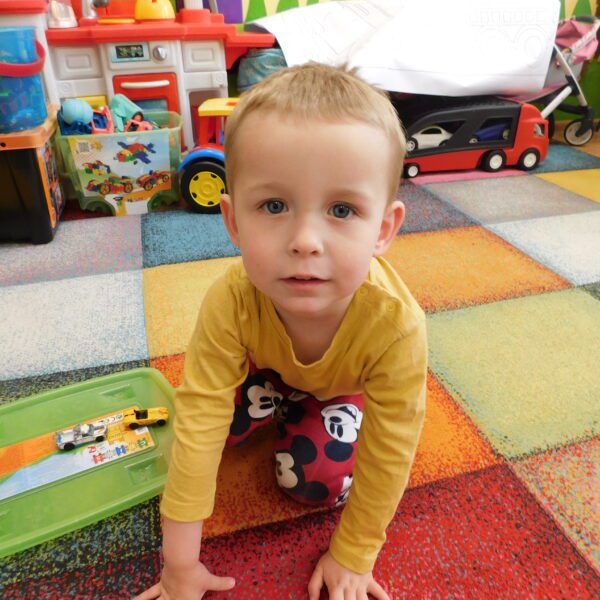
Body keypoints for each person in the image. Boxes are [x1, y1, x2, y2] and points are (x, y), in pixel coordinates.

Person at [135, 62, 427, 600]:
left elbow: (392, 450)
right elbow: (200, 419)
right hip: (264, 377)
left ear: (384, 229)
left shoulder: (396, 326)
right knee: (187, 433)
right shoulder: (231, 299)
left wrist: (353, 555)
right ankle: (278, 407)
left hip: (338, 393)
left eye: (342, 209)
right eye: (274, 206)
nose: (305, 241)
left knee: (314, 482)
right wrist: (178, 565)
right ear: (232, 221)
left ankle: (302, 414)